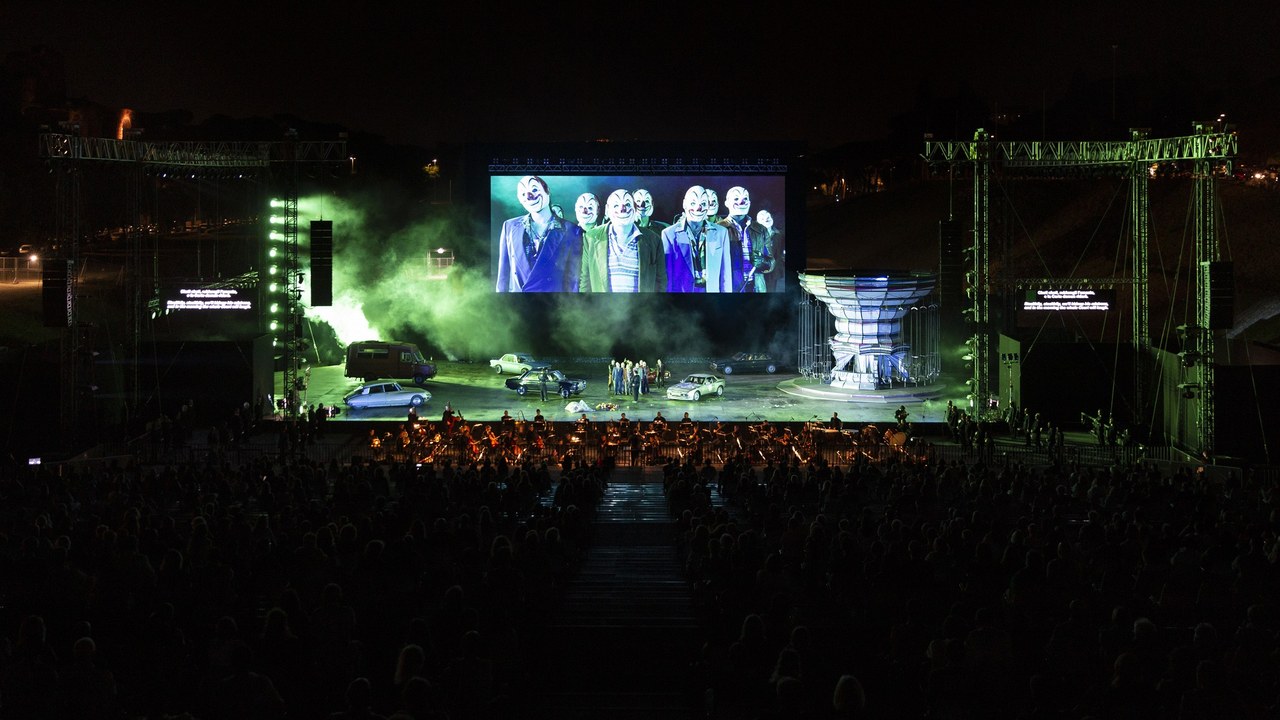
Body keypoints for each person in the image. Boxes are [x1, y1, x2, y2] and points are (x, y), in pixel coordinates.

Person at [496, 175, 583, 292]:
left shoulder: (572, 230)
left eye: (534, 190)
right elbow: (503, 275)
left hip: (554, 304)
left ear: (547, 191)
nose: (529, 196)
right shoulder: (510, 226)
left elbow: (573, 279)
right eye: (523, 194)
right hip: (517, 304)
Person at [579, 189, 667, 292]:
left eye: (628, 204)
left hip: (642, 307)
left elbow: (661, 282)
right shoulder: (591, 238)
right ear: (607, 210)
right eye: (616, 205)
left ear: (635, 209)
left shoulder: (654, 240)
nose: (622, 209)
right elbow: (585, 281)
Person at [661, 185, 734, 292]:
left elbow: (725, 274)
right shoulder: (669, 234)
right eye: (693, 203)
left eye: (703, 204)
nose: (698, 208)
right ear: (684, 204)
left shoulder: (721, 233)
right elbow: (667, 274)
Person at [719, 186, 774, 292]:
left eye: (745, 198)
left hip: (757, 287)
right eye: (736, 199)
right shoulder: (719, 228)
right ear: (727, 203)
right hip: (731, 288)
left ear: (749, 202)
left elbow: (771, 261)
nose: (741, 202)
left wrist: (762, 261)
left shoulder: (760, 229)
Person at [756, 209, 785, 292]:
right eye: (762, 218)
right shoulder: (754, 235)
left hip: (773, 271)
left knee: (771, 292)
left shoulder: (779, 234)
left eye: (768, 217)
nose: (766, 219)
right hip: (759, 270)